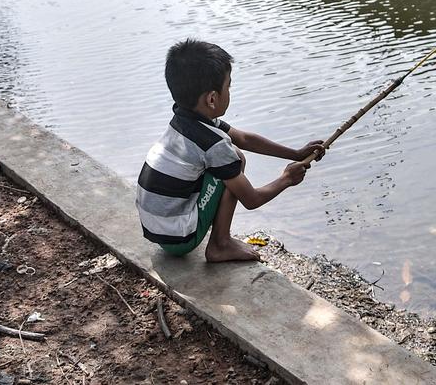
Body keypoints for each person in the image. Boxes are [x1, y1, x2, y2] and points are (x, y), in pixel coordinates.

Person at [136, 40, 324, 262]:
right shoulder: (213, 144)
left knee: (230, 157)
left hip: (157, 227)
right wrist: (287, 179)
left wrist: (296, 154)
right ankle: (220, 244)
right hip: (179, 239)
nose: (229, 92)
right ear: (212, 99)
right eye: (228, 86)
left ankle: (218, 239)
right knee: (233, 159)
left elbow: (244, 139)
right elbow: (251, 199)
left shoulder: (186, 119)